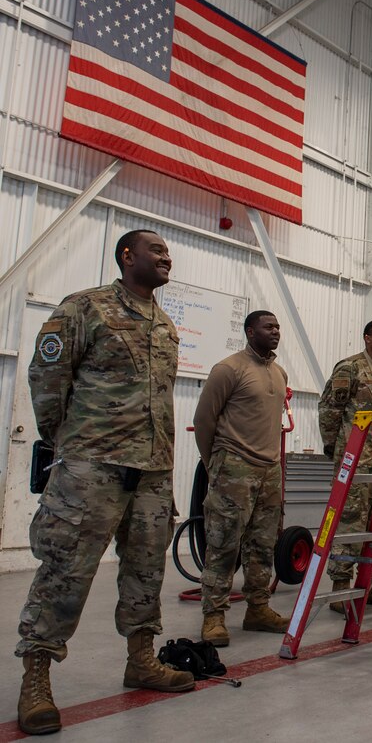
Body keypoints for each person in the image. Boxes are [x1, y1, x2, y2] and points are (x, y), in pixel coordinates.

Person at [15, 229, 193, 736]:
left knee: (145, 573)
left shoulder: (165, 324)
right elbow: (47, 377)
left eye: (168, 251)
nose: (166, 257)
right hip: (92, 467)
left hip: (153, 470)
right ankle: (36, 678)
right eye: (157, 250)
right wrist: (70, 441)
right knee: (65, 573)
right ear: (127, 255)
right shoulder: (84, 308)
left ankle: (141, 660)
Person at [193, 311, 291, 647]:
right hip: (234, 466)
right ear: (250, 332)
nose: (275, 331)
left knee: (263, 545)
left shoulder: (279, 373)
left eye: (278, 327)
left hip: (270, 469)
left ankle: (258, 609)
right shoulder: (228, 369)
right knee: (222, 545)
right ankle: (214, 615)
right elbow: (204, 420)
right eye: (268, 327)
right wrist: (215, 465)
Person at [318, 320, 372, 608]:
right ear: (367, 338)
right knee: (349, 521)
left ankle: (370, 582)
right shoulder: (349, 368)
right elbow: (329, 410)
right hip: (355, 460)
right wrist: (335, 449)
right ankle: (341, 586)